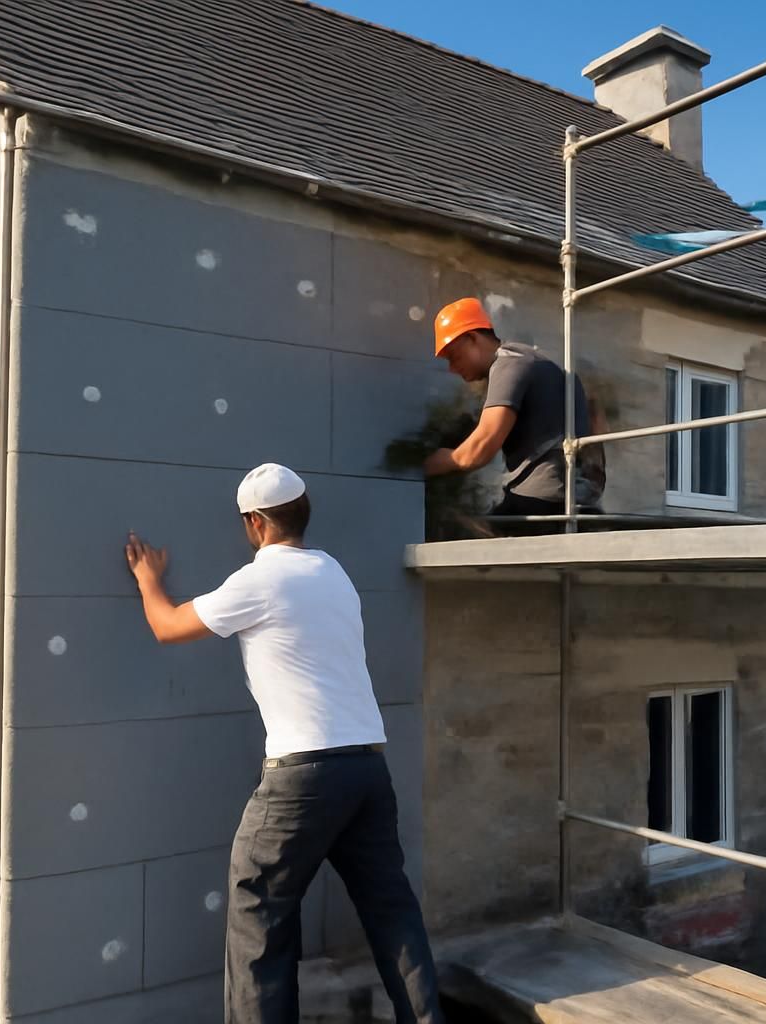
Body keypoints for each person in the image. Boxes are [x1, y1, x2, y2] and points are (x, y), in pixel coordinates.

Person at [123, 463, 444, 1024]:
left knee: (259, 914)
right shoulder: (333, 572)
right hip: (368, 768)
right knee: (392, 912)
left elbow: (168, 626)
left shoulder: (260, 580)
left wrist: (149, 580)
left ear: (255, 523)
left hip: (304, 776)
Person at [423, 297, 603, 518]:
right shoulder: (533, 360)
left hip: (541, 499)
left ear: (473, 338)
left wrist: (431, 464)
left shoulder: (508, 364)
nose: (452, 368)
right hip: (577, 496)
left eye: (454, 356)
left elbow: (479, 450)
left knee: (464, 532)